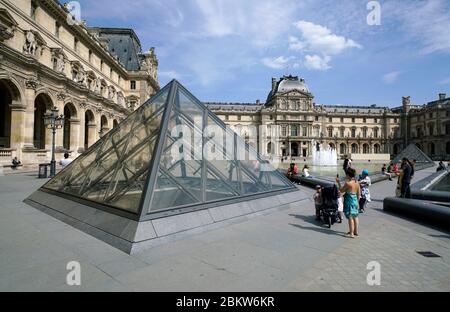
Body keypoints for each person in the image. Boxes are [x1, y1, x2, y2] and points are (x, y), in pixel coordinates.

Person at [336, 168, 360, 238]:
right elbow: (359, 194)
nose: (345, 176)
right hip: (355, 201)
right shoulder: (357, 182)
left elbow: (341, 190)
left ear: (348, 175)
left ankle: (351, 233)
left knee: (350, 217)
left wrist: (338, 182)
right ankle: (356, 231)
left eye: (346, 174)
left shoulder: (348, 183)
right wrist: (357, 203)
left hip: (349, 201)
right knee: (355, 216)